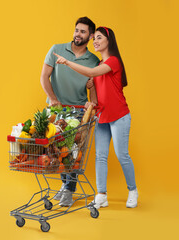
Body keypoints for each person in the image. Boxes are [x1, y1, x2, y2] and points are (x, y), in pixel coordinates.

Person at [53, 26, 138, 208]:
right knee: (100, 156)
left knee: (122, 154)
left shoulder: (113, 61)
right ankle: (101, 195)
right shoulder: (99, 65)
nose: (95, 42)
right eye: (94, 39)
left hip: (120, 116)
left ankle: (133, 190)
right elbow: (98, 93)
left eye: (99, 38)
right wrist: (92, 102)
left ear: (109, 41)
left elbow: (91, 73)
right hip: (102, 116)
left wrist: (67, 62)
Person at [40, 17, 100, 207]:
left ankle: (68, 189)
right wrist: (54, 99)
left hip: (78, 111)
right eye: (76, 30)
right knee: (57, 151)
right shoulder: (56, 49)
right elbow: (43, 77)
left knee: (72, 152)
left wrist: (92, 101)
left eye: (83, 32)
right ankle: (66, 185)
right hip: (56, 110)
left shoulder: (93, 60)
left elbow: (93, 89)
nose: (77, 34)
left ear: (90, 36)